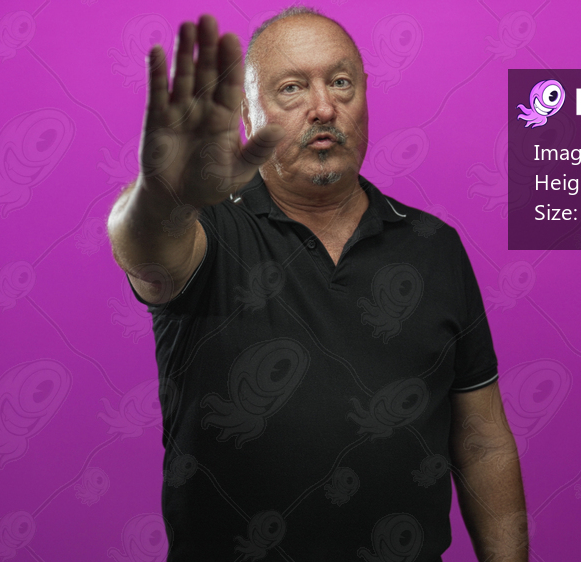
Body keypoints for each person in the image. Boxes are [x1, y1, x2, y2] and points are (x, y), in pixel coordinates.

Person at [107, 6, 527, 560]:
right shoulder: (203, 234)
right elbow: (141, 244)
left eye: (341, 82)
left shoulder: (434, 246)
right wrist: (160, 194)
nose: (325, 107)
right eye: (291, 88)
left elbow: (482, 442)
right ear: (247, 112)